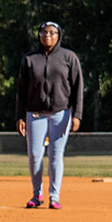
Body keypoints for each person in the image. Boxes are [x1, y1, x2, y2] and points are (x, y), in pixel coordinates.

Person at [15, 21, 83, 209]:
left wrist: (77, 114)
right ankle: (37, 195)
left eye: (52, 33)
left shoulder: (69, 57)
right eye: (44, 32)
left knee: (55, 155)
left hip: (61, 114)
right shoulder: (29, 59)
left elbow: (78, 87)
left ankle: (55, 196)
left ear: (59, 35)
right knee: (35, 155)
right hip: (35, 114)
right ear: (39, 35)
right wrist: (19, 116)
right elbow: (21, 90)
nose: (48, 36)